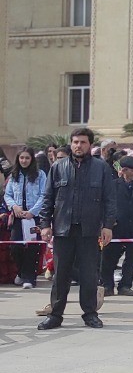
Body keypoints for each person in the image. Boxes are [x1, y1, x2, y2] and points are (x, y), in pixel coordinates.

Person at [35, 127, 117, 328]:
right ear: (71, 144)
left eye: (82, 142)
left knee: (89, 274)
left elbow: (110, 200)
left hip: (89, 230)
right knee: (60, 274)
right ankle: (55, 315)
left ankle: (90, 313)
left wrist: (107, 226)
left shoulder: (101, 168)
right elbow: (48, 198)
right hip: (63, 229)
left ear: (90, 145)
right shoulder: (58, 167)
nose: (78, 146)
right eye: (75, 142)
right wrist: (45, 225)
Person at [100, 155, 133, 296]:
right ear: (123, 170)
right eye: (132, 170)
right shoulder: (112, 186)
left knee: (131, 259)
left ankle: (125, 286)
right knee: (108, 259)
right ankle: (107, 286)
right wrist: (107, 224)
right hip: (115, 229)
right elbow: (104, 206)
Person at [4, 146, 47, 288]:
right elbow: (7, 194)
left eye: (27, 158)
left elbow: (44, 195)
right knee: (15, 246)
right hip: (18, 217)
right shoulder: (14, 175)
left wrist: (33, 211)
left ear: (32, 159)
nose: (24, 160)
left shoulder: (40, 175)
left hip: (33, 217)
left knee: (32, 247)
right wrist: (14, 206)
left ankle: (30, 277)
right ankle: (21, 273)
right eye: (21, 157)